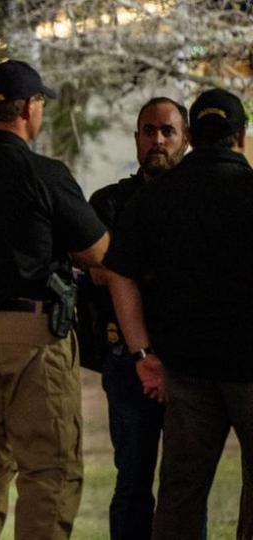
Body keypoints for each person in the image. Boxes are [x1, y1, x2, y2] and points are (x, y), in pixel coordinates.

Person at [0, 59, 109, 540]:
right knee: (49, 469)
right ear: (29, 108)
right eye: (40, 104)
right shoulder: (43, 172)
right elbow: (98, 250)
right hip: (31, 336)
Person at [104, 88, 253, 540]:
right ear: (241, 136)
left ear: (190, 136)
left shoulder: (156, 197)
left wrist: (141, 351)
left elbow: (119, 274)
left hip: (185, 371)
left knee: (181, 494)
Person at [87, 97, 189, 540]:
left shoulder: (198, 200)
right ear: (136, 138)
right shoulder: (110, 203)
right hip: (128, 361)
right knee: (131, 482)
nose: (158, 141)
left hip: (190, 361)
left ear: (185, 138)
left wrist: (129, 269)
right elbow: (96, 271)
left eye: (168, 131)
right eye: (149, 131)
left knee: (186, 487)